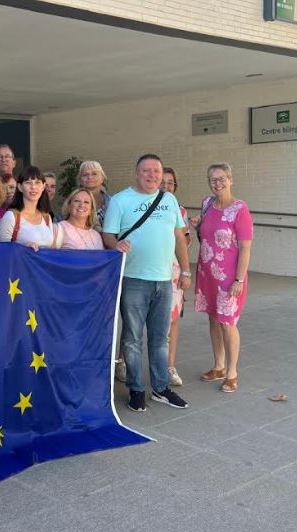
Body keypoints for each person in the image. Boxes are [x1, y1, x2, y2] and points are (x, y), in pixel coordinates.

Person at [102, 154, 191, 412]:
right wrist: (116, 244)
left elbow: (179, 237)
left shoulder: (169, 200)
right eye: (146, 170)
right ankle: (136, 389)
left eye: (156, 171)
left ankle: (161, 388)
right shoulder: (120, 200)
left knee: (160, 338)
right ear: (137, 173)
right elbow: (108, 234)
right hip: (133, 279)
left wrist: (185, 271)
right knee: (132, 339)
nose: (152, 175)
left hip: (164, 280)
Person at [191, 163, 253, 393]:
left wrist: (239, 279)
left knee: (227, 323)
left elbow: (245, 248)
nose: (217, 184)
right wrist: (195, 225)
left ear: (230, 180)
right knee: (213, 319)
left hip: (229, 277)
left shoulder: (240, 209)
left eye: (221, 179)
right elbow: (203, 234)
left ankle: (232, 372)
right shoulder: (207, 204)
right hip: (208, 273)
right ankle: (218, 366)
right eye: (213, 180)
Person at [161, 167, 190, 387]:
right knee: (136, 322)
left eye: (170, 182)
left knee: (171, 320)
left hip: (172, 270)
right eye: (162, 182)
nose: (166, 186)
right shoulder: (142, 205)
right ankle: (124, 362)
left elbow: (185, 242)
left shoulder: (180, 210)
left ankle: (169, 366)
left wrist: (186, 272)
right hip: (146, 270)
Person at [0, 165, 60, 249]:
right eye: (28, 182)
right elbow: (2, 251)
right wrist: (24, 249)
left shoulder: (46, 217)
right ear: (19, 187)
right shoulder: (11, 217)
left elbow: (51, 250)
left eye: (37, 182)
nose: (33, 187)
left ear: (43, 187)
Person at [77, 161, 111, 229]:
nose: (90, 177)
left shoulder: (112, 202)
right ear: (80, 180)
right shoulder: (73, 202)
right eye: (85, 174)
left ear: (102, 178)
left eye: (94, 174)